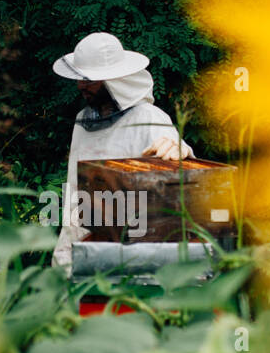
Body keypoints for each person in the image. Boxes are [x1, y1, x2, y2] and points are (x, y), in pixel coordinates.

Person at [51, 31, 193, 270]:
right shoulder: (82, 120)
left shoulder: (149, 118)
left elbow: (179, 161)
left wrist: (178, 150)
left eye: (89, 80)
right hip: (83, 234)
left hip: (133, 247)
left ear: (113, 80)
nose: (80, 86)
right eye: (80, 78)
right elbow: (75, 190)